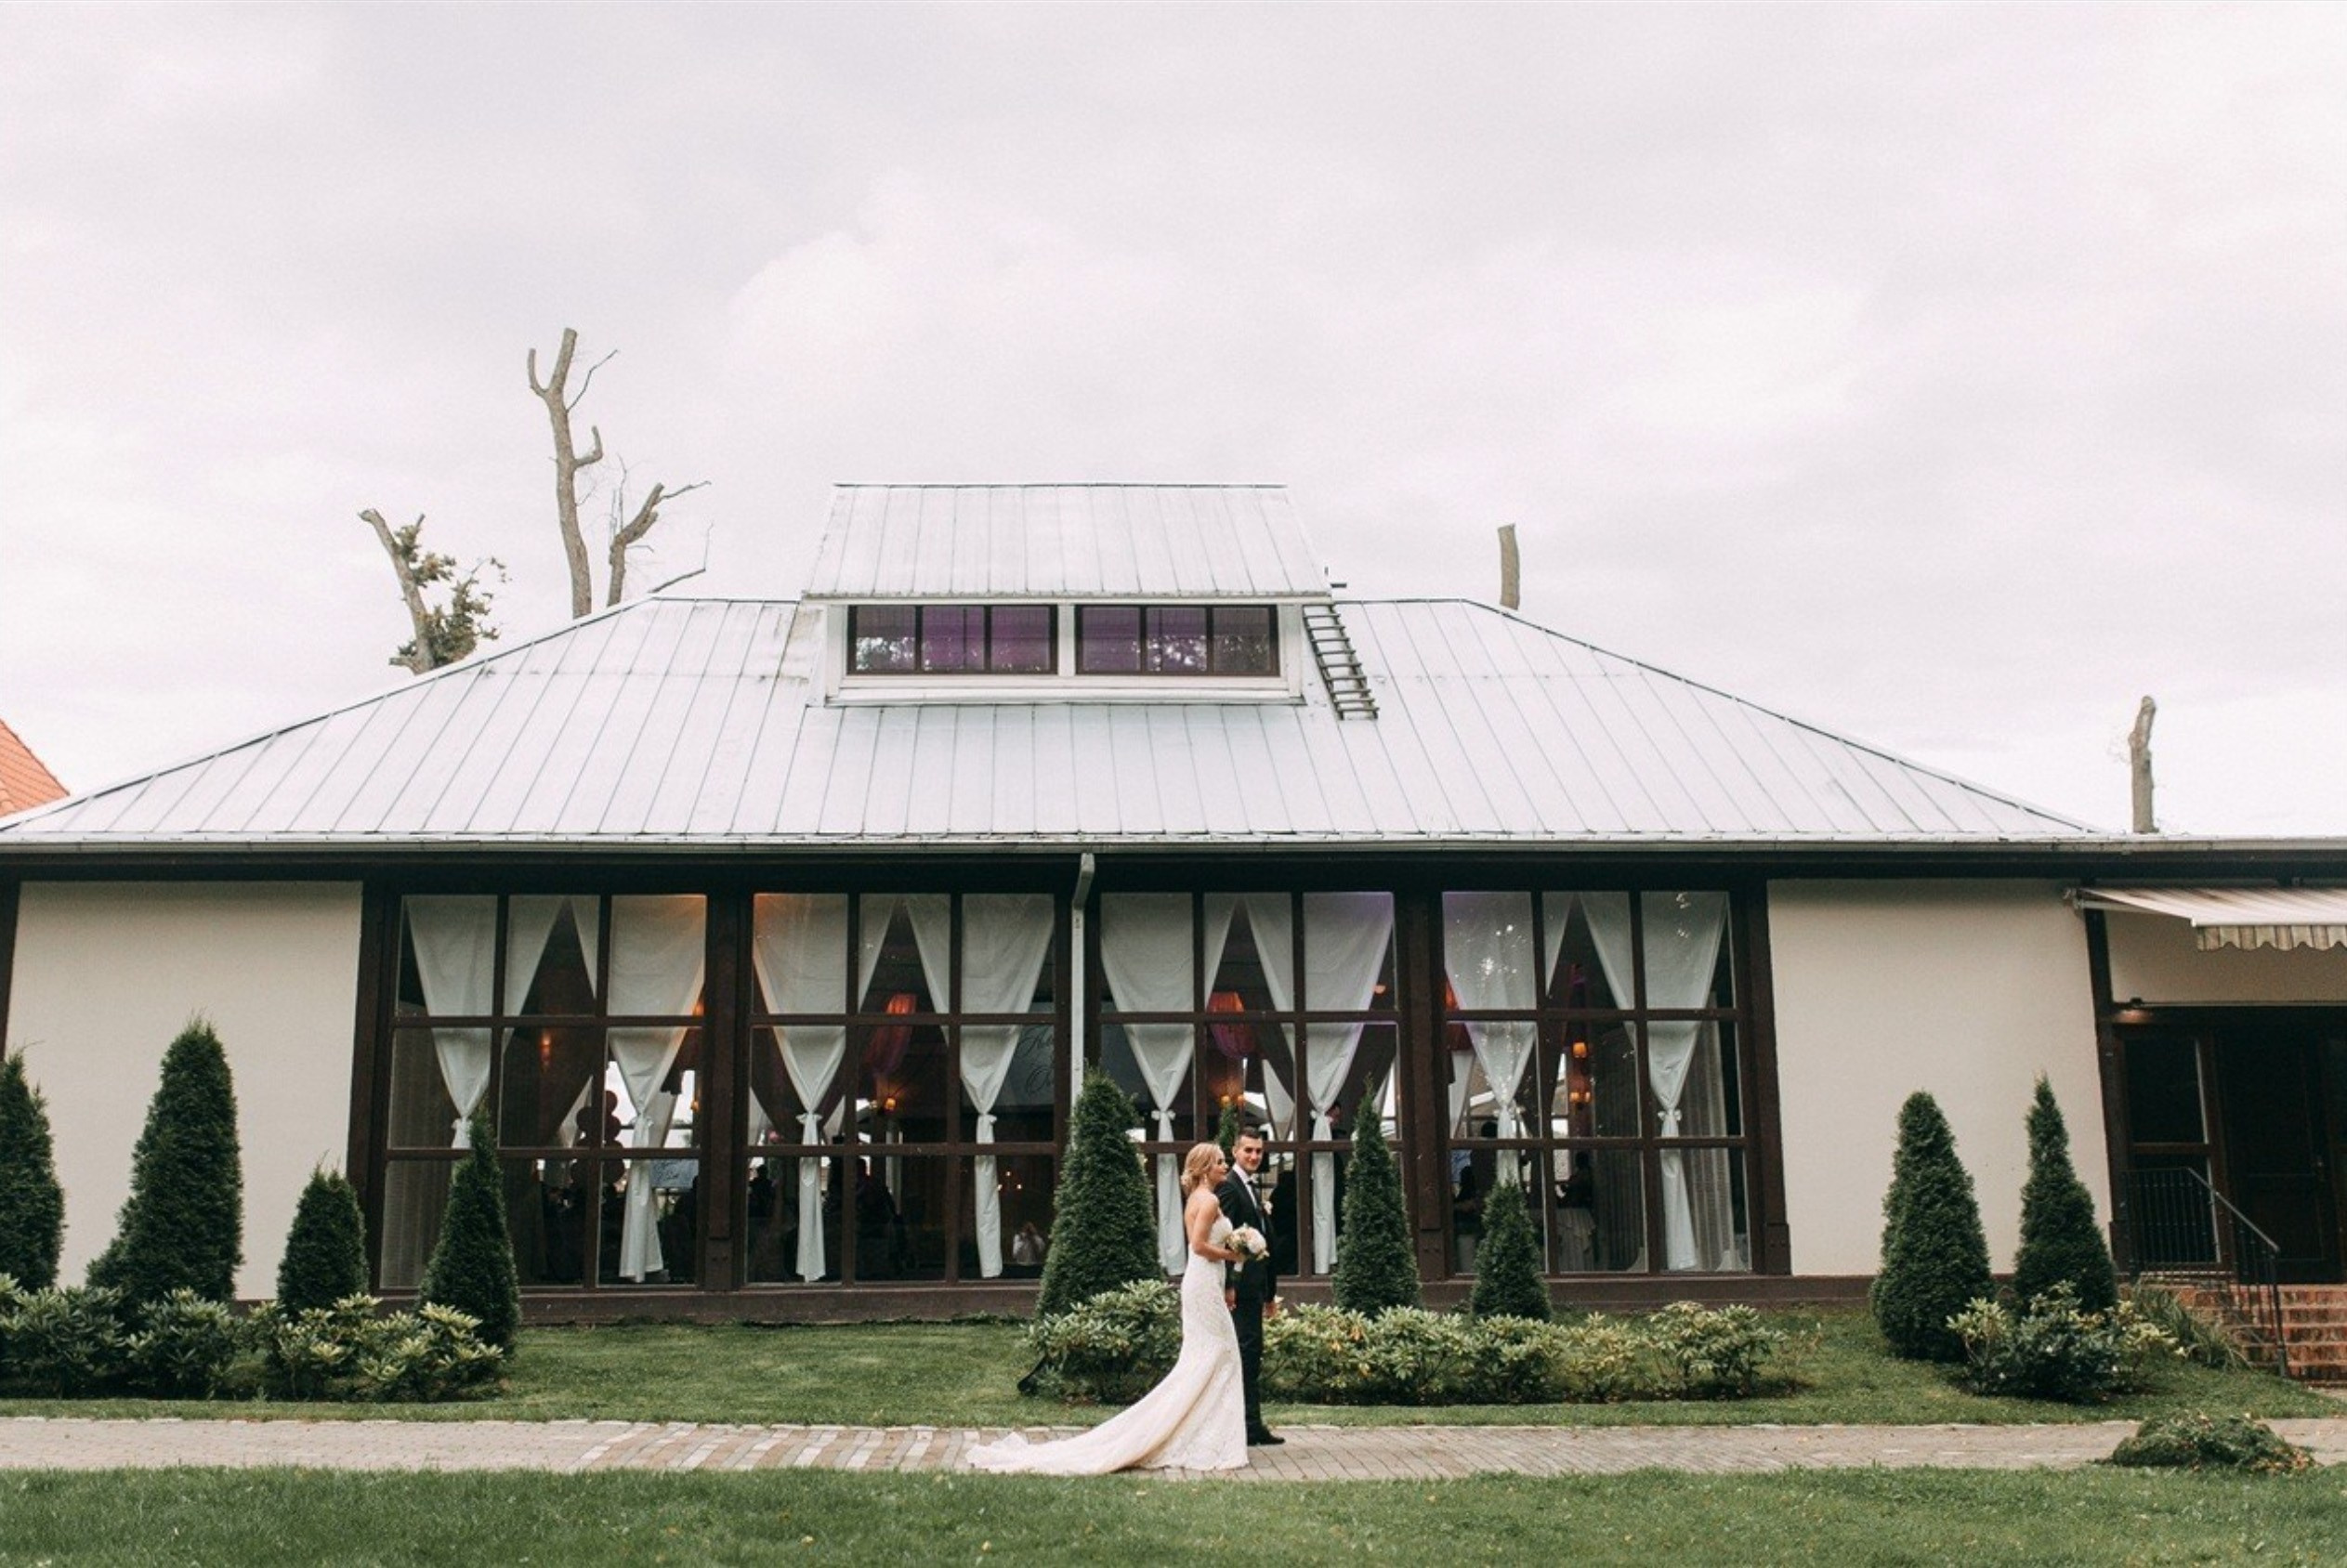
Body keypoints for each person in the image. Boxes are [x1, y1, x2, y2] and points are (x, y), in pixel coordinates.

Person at [967, 1143, 1248, 1474]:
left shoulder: (1197, 1199)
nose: (1224, 1166)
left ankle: (1206, 1433)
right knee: (1219, 1354)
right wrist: (1236, 1255)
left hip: (1204, 1283)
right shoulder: (1210, 1200)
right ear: (1203, 1168)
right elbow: (1199, 1246)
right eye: (1218, 1162)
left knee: (1209, 1357)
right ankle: (1200, 1436)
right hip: (1203, 1282)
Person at [1217, 1125, 1282, 1446]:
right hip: (1239, 1291)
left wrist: (1269, 1293)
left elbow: (1264, 1244)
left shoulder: (1252, 1188)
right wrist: (1229, 1285)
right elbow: (1227, 1243)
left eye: (1258, 1151)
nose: (1255, 1156)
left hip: (1255, 1288)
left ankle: (1251, 1424)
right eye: (1249, 1151)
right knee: (1246, 1353)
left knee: (1252, 1353)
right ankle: (1246, 1425)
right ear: (1235, 1152)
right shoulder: (1229, 1188)